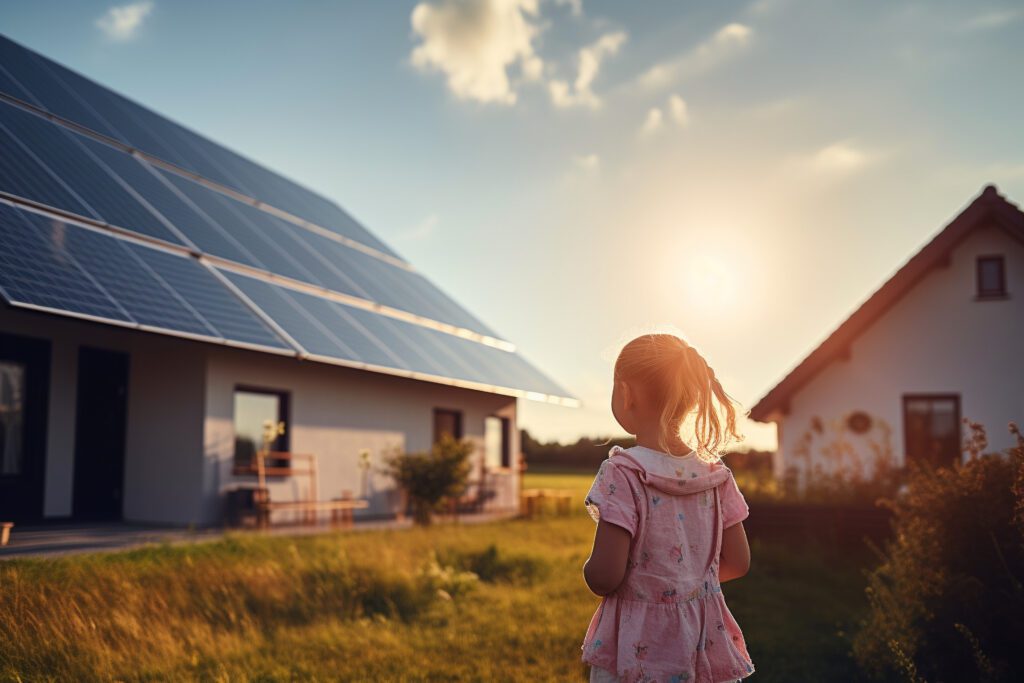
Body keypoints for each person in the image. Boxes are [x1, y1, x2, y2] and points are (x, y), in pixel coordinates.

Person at [581, 333, 754, 683]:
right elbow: (738, 562)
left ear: (625, 393)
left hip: (641, 648)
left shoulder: (624, 473)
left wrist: (590, 570)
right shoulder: (715, 475)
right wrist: (685, 583)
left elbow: (605, 576)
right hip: (704, 641)